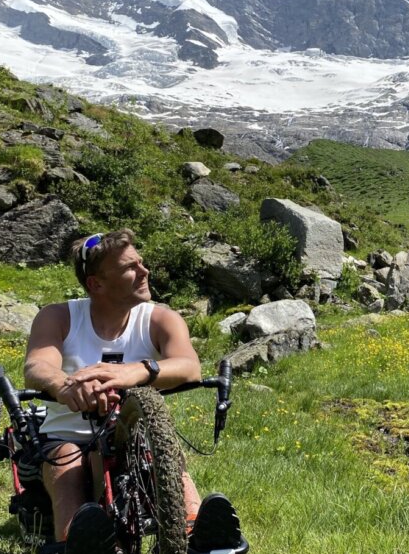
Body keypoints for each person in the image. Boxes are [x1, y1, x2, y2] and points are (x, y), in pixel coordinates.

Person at [24, 229, 246, 554]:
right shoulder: (59, 316)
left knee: (163, 461)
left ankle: (199, 531)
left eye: (140, 263)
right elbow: (37, 366)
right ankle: (78, 541)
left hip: (134, 433)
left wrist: (134, 372)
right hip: (69, 433)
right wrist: (65, 386)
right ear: (96, 284)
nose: (145, 272)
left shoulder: (160, 318)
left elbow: (189, 366)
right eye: (131, 268)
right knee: (66, 465)